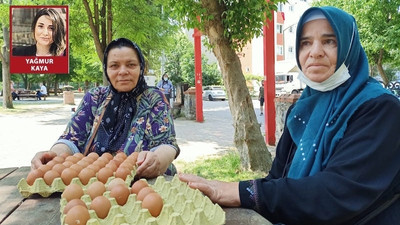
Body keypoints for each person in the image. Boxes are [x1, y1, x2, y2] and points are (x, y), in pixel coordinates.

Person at [179, 6, 400, 225]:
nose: (315, 52)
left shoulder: (379, 109)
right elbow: (278, 178)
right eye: (306, 43)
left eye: (329, 41)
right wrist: (233, 192)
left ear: (348, 47)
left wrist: (237, 192)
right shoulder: (302, 110)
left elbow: (337, 192)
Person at [31, 38, 180, 178]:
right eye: (114, 65)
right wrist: (54, 155)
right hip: (93, 181)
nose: (122, 71)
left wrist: (157, 159)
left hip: (143, 181)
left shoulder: (154, 98)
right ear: (106, 70)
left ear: (141, 68)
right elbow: (72, 138)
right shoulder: (95, 97)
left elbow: (167, 144)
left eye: (131, 65)